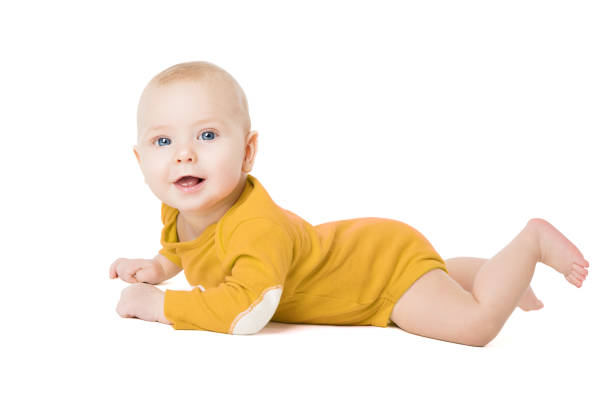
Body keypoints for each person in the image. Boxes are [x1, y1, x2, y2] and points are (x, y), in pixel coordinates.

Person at [109, 61, 590, 346]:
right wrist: (158, 266)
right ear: (138, 158)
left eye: (207, 134)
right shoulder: (179, 208)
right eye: (162, 141)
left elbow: (248, 310)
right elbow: (185, 248)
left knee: (475, 326)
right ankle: (489, 270)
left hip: (381, 276)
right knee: (434, 271)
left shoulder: (255, 228)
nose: (184, 154)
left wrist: (161, 306)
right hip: (371, 250)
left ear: (248, 153)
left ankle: (529, 246)